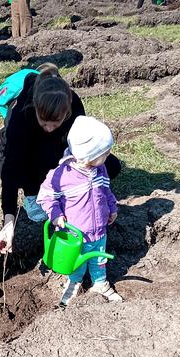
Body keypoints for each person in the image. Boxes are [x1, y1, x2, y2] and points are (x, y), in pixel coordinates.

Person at [0, 63, 122, 257]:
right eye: (44, 123)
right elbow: (10, 169)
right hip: (28, 158)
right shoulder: (20, 115)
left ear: (67, 112)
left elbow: (82, 148)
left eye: (56, 123)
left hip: (61, 153)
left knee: (110, 166)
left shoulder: (73, 104)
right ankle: (36, 195)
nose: (50, 128)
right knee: (37, 209)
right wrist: (8, 221)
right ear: (35, 107)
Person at [37, 116, 123, 306]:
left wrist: (112, 207)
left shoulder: (101, 170)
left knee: (99, 259)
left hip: (100, 229)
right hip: (75, 235)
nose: (108, 155)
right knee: (77, 263)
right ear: (89, 155)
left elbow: (106, 190)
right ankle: (74, 282)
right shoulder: (62, 175)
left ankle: (100, 283)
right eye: (105, 152)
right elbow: (45, 196)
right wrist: (56, 215)